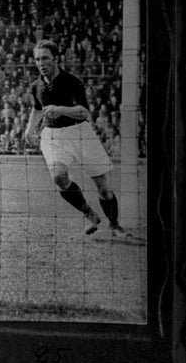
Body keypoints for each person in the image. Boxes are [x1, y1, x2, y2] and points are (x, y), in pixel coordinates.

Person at [24, 39, 126, 237]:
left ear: (55, 59)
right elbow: (37, 109)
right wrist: (29, 130)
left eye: (45, 58)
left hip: (80, 133)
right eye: (37, 59)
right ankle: (90, 215)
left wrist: (60, 109)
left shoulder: (72, 82)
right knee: (59, 178)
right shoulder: (36, 86)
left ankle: (114, 225)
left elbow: (84, 112)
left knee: (104, 188)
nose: (41, 63)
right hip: (53, 136)